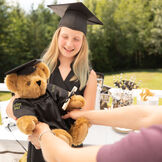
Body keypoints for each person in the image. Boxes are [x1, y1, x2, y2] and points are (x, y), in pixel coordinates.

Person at [5, 2, 103, 162]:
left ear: (83, 42)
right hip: (40, 144)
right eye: (65, 36)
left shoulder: (88, 75)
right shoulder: (37, 69)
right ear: (57, 35)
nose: (69, 44)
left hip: (70, 148)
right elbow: (12, 107)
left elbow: (87, 117)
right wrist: (34, 126)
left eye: (76, 39)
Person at [29, 104, 162, 162]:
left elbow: (65, 158)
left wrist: (43, 134)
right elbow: (145, 115)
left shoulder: (151, 145)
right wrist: (84, 115)